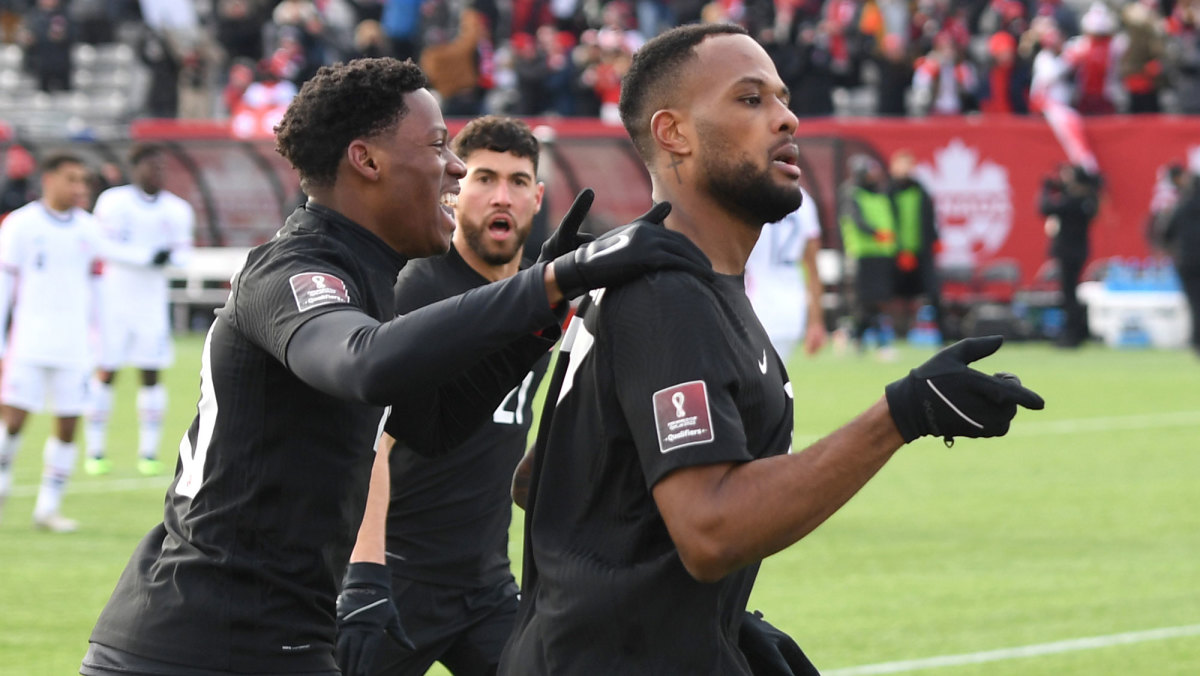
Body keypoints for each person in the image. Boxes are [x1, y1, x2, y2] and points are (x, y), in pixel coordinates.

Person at [81, 57, 709, 676]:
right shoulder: (294, 267)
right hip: (192, 644)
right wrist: (550, 279)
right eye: (439, 146)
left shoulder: (370, 274)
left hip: (281, 638)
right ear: (368, 160)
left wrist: (540, 320)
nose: (456, 168)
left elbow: (430, 425)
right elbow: (364, 364)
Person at [500, 23, 1044, 675]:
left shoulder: (679, 285)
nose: (786, 119)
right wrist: (900, 415)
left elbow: (541, 480)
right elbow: (710, 530)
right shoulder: (667, 294)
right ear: (674, 133)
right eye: (750, 99)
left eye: (783, 99)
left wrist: (713, 621)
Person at [365, 116, 551, 675]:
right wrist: (366, 574)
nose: (502, 196)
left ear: (537, 197)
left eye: (518, 182)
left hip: (487, 584)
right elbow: (372, 443)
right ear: (454, 191)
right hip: (400, 578)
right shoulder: (420, 288)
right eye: (484, 178)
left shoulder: (538, 300)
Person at [0, 153, 156, 532]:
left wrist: (103, 346)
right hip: (28, 344)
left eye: (84, 181)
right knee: (13, 422)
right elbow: (4, 286)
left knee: (68, 425)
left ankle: (48, 509)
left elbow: (100, 287)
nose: (81, 188)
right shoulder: (20, 225)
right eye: (72, 180)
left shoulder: (89, 229)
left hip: (74, 347)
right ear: (49, 179)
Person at [84, 144, 196, 477]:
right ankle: (95, 451)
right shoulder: (113, 202)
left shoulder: (177, 210)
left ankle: (148, 453)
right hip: (114, 301)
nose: (157, 173)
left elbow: (183, 255)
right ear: (136, 169)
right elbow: (101, 245)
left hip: (151, 304)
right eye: (151, 166)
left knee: (151, 373)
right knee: (107, 371)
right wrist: (146, 257)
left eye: (162, 168)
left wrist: (168, 259)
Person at [744, 184, 827, 360]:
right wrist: (815, 320)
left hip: (752, 305)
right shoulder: (802, 199)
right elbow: (813, 267)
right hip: (790, 309)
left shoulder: (747, 192)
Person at [839, 153, 898, 357]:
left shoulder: (880, 193)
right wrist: (876, 233)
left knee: (878, 301)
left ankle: (860, 340)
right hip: (862, 254)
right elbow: (856, 220)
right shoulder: (851, 193)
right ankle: (858, 339)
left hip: (881, 254)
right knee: (864, 302)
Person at [1039, 163, 1100, 348]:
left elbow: (1045, 208)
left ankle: (1072, 335)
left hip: (1069, 251)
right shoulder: (1088, 200)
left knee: (1068, 294)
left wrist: (1046, 189)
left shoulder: (1074, 201)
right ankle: (1078, 332)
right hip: (1078, 251)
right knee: (1070, 293)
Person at [889, 149, 945, 341]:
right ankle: (899, 333)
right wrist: (898, 249)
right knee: (897, 297)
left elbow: (929, 218)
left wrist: (935, 239)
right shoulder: (889, 192)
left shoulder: (920, 190)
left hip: (921, 251)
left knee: (933, 292)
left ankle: (943, 334)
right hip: (898, 254)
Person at [1162, 166, 1200, 357]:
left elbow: (1165, 232)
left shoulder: (1182, 207)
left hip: (1187, 260)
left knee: (1194, 302)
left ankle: (1196, 341)